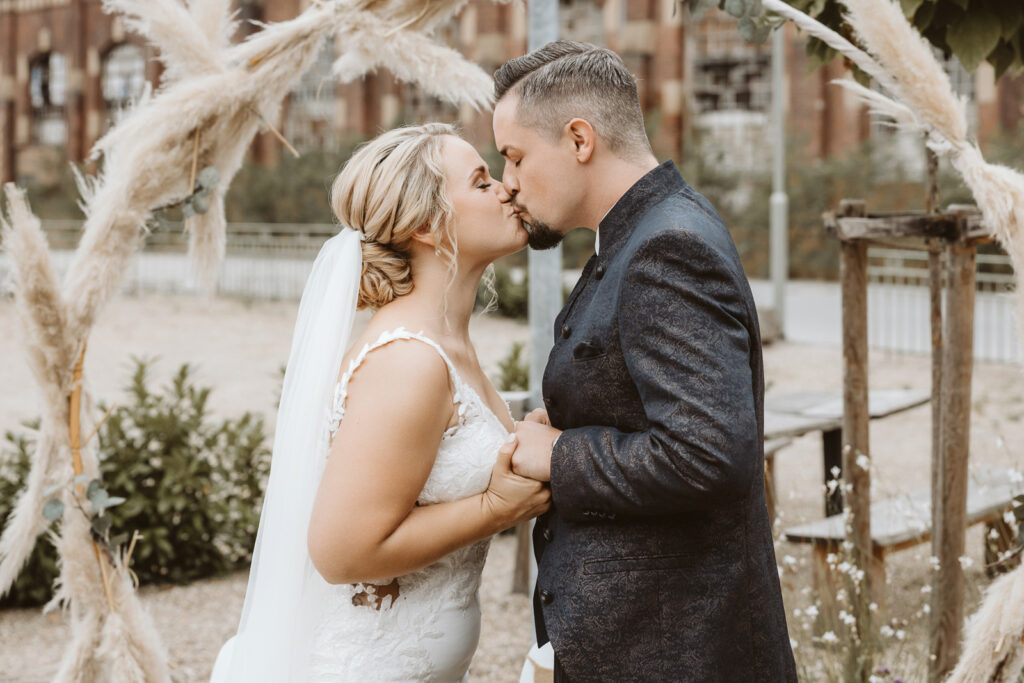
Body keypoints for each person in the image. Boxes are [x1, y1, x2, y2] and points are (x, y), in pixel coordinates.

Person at [491, 41, 797, 681]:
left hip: (676, 651)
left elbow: (708, 453)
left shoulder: (667, 247)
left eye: (515, 156)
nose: (508, 181)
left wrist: (558, 456)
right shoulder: (640, 232)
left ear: (579, 139)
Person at [210, 123, 550, 682]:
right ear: (424, 223)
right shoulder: (408, 361)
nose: (506, 190)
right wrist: (496, 507)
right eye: (481, 180)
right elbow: (343, 552)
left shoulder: (448, 346)